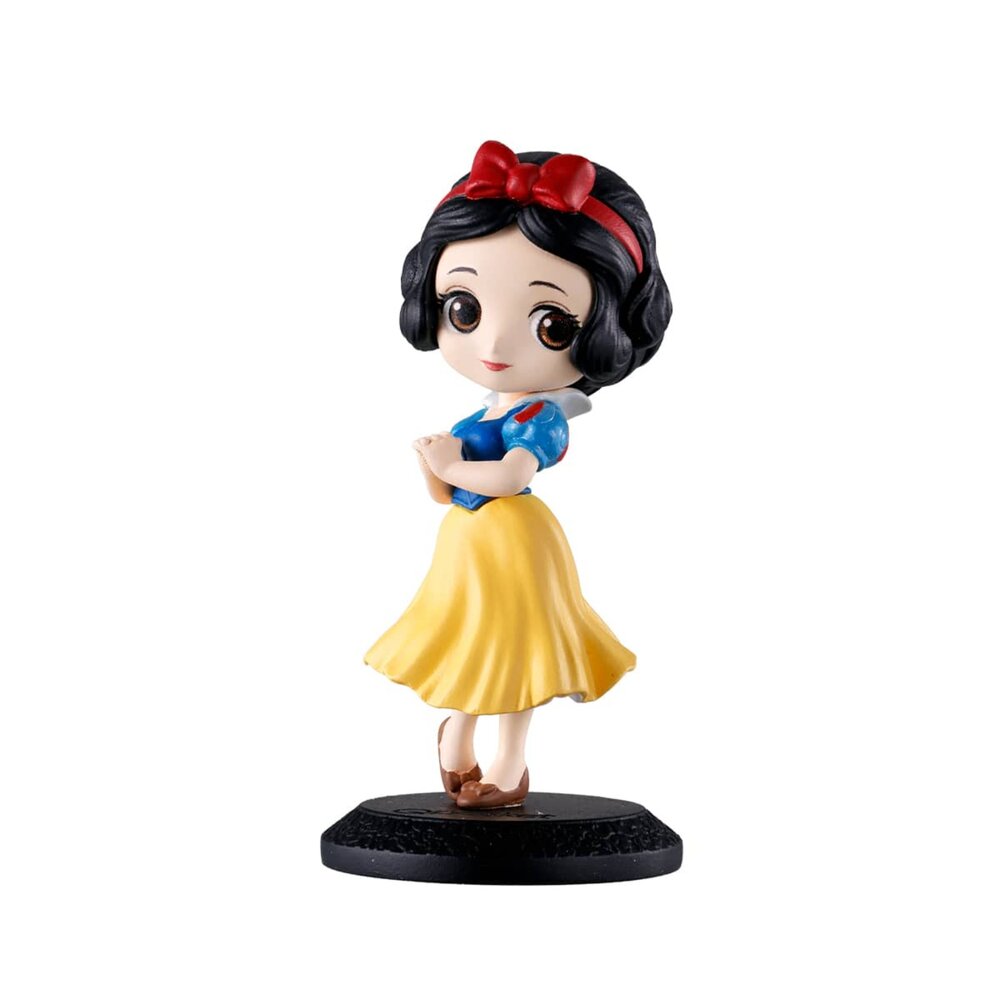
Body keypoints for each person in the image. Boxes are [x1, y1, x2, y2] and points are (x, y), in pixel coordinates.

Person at [364, 140, 672, 808]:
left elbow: (509, 475)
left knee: (515, 651)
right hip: (466, 541)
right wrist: (433, 467)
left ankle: (509, 766)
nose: (496, 344)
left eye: (550, 323)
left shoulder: (543, 417)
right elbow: (448, 493)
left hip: (518, 543)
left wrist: (450, 462)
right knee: (467, 643)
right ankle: (455, 736)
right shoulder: (480, 412)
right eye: (465, 309)